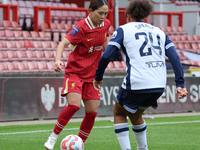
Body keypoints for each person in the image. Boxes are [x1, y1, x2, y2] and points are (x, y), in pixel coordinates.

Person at [93, 0, 188, 150]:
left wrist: (98, 77)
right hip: (158, 84)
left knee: (119, 113)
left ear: (128, 16)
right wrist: (180, 84)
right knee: (136, 115)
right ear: (145, 16)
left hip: (138, 81)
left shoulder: (123, 30)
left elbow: (106, 56)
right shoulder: (159, 32)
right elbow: (175, 58)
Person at [44, 0, 110, 149]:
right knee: (74, 106)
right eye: (100, 13)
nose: (103, 16)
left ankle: (78, 145)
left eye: (105, 13)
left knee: (92, 112)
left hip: (93, 75)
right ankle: (53, 138)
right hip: (75, 72)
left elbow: (106, 36)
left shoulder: (106, 24)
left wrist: (108, 50)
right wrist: (58, 61)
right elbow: (63, 44)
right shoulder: (81, 28)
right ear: (90, 10)